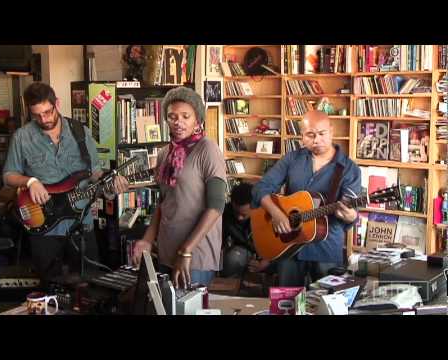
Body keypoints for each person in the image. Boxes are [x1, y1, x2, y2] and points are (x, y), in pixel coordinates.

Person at [3, 82, 130, 287]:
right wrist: (31, 181)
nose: (44, 119)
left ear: (57, 104)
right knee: (48, 289)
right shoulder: (22, 137)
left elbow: (94, 172)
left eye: (48, 112)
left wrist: (109, 184)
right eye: (37, 115)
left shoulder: (81, 132)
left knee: (88, 288)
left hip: (81, 224)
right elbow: (8, 175)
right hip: (43, 227)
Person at [251, 110, 361, 287]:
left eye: (322, 134)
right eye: (310, 135)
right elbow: (260, 188)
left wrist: (350, 216)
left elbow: (351, 216)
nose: (316, 140)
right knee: (287, 303)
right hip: (289, 246)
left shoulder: (349, 169)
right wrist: (277, 214)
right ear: (302, 135)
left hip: (326, 249)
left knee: (327, 303)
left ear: (332, 131)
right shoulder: (291, 159)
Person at [132, 86, 227, 288]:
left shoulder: (208, 149)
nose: (178, 122)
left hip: (196, 254)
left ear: (197, 119)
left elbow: (217, 206)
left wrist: (187, 250)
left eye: (186, 116)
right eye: (172, 116)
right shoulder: (164, 154)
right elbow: (163, 203)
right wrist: (147, 240)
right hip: (167, 250)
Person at [221, 182, 272, 278]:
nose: (239, 218)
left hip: (269, 253)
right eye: (236, 213)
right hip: (243, 249)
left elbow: (279, 245)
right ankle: (230, 288)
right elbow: (221, 242)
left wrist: (266, 262)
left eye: (244, 214)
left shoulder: (267, 212)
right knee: (232, 259)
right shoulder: (226, 213)